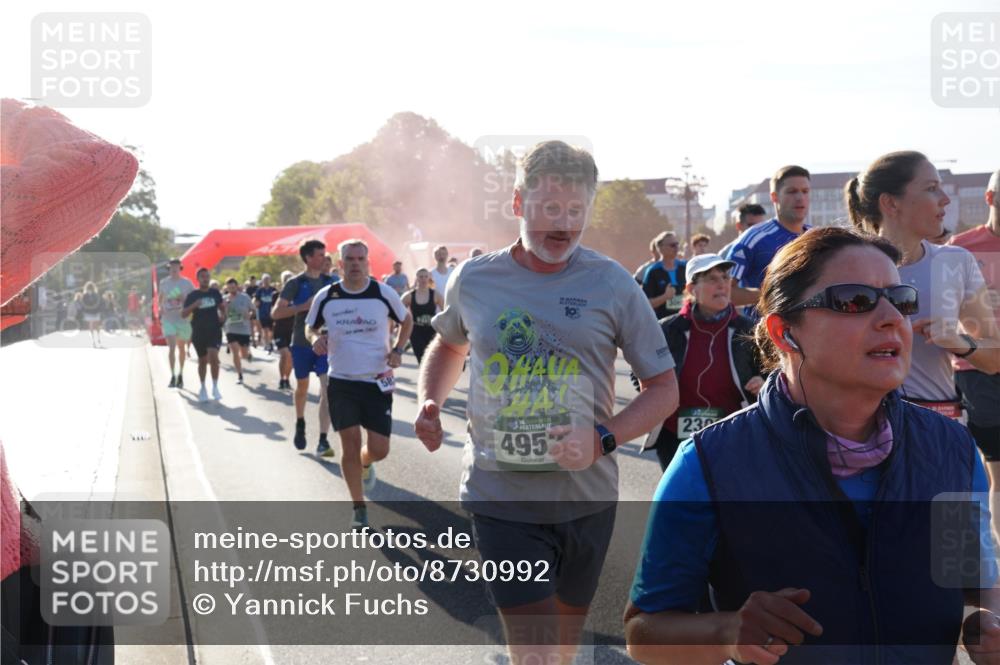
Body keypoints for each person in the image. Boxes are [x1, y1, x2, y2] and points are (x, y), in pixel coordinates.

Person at [625, 227, 999, 665]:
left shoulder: (949, 447)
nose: (891, 318)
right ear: (785, 333)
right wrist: (727, 632)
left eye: (900, 299)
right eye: (854, 301)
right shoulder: (710, 462)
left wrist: (986, 624)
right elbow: (643, 631)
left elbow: (971, 578)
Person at [414, 140, 678, 664]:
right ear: (518, 204)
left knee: (562, 647)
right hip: (500, 497)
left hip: (587, 499)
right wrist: (428, 401)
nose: (563, 224)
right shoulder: (476, 278)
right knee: (534, 653)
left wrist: (602, 438)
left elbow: (665, 388)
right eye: (549, 209)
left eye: (575, 210)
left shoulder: (611, 283)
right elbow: (448, 343)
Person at [846, 151, 1000, 417]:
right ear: (891, 203)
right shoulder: (846, 266)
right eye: (931, 188)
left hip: (938, 426)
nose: (945, 199)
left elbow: (994, 357)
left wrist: (958, 342)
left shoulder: (956, 261)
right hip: (865, 430)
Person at [308, 239, 412, 528]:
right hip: (341, 381)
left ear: (367, 262)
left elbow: (407, 320)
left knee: (379, 449)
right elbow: (310, 326)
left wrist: (399, 350)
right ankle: (358, 507)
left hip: (377, 381)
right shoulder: (327, 296)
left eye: (360, 259)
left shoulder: (382, 293)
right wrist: (314, 338)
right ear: (340, 264)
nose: (355, 264)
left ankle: (367, 464)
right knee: (349, 444)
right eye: (350, 259)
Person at [645, 253, 764, 470]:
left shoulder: (748, 330)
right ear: (692, 289)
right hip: (674, 435)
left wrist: (762, 381)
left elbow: (772, 371)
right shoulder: (667, 330)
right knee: (682, 501)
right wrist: (654, 390)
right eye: (711, 279)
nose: (722, 284)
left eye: (725, 277)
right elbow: (640, 371)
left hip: (732, 433)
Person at [950, 169, 1000, 517]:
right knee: (997, 469)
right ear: (990, 198)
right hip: (979, 368)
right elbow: (942, 310)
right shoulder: (960, 248)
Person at [271, 240, 336, 456]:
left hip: (325, 344)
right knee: (302, 388)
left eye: (325, 255)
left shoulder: (332, 282)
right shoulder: (295, 283)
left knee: (327, 390)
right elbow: (276, 313)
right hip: (300, 343)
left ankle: (323, 440)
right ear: (308, 258)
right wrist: (303, 307)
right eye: (319, 255)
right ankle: (300, 423)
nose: (324, 259)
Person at [727, 166, 812, 317]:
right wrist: (773, 296)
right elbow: (725, 291)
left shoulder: (817, 237)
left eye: (805, 191)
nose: (800, 197)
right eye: (792, 191)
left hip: (809, 335)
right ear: (774, 197)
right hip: (764, 335)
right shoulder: (753, 238)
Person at [181, 268, 225, 402]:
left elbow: (222, 307)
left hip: (214, 330)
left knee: (213, 356)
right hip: (198, 331)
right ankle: (203, 387)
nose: (205, 279)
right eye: (202, 277)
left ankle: (215, 386)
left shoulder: (215, 293)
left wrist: (224, 315)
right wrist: (194, 305)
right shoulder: (193, 295)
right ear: (198, 279)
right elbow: (183, 314)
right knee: (202, 361)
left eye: (207, 276)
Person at [158, 259, 195, 387]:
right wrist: (160, 308)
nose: (174, 269)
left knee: (181, 348)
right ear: (169, 269)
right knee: (172, 347)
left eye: (176, 267)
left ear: (180, 268)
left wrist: (183, 299)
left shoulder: (187, 283)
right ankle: (173, 376)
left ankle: (180, 374)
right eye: (171, 267)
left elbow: (193, 299)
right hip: (168, 319)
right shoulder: (164, 283)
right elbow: (160, 299)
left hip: (182, 319)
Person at [402, 268, 443, 364]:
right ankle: (426, 378)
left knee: (433, 359)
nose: (423, 279)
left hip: (432, 331)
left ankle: (432, 378)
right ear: (416, 278)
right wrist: (401, 326)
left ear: (429, 278)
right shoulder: (409, 296)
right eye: (421, 277)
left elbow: (446, 311)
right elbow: (397, 311)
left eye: (426, 276)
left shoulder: (435, 295)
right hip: (416, 331)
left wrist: (444, 327)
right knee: (422, 359)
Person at [642, 231, 687, 319]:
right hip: (663, 324)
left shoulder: (685, 267)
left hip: (685, 320)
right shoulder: (652, 271)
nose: (676, 248)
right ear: (661, 248)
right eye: (672, 245)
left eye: (677, 244)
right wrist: (665, 297)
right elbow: (646, 304)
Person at [223, 278, 254, 385]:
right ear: (226, 288)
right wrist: (225, 308)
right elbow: (222, 315)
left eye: (233, 286)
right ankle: (240, 375)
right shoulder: (225, 299)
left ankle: (247, 354)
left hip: (244, 329)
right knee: (235, 352)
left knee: (243, 355)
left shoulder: (245, 297)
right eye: (229, 287)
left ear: (237, 286)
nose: (232, 289)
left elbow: (253, 311)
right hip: (231, 329)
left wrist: (249, 315)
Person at [272, 271, 295, 390]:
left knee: (290, 356)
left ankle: (287, 379)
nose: (288, 281)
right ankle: (282, 378)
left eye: (291, 279)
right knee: (285, 354)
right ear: (283, 282)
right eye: (286, 279)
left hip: (293, 330)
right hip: (280, 329)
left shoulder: (297, 295)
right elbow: (274, 314)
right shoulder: (276, 296)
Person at [253, 273, 277, 353]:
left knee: (272, 330)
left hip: (272, 313)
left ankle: (270, 342)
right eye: (265, 280)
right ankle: (267, 344)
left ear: (270, 280)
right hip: (262, 313)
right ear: (262, 281)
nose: (266, 281)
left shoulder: (273, 290)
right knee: (265, 329)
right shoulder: (260, 290)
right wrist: (257, 303)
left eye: (268, 279)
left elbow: (277, 301)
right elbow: (256, 301)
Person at [80, 281, 103, 347]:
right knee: (96, 325)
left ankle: (94, 340)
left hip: (90, 312)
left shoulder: (85, 295)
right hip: (94, 312)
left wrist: (84, 310)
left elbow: (83, 304)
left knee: (92, 326)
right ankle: (97, 338)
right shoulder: (95, 295)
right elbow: (99, 303)